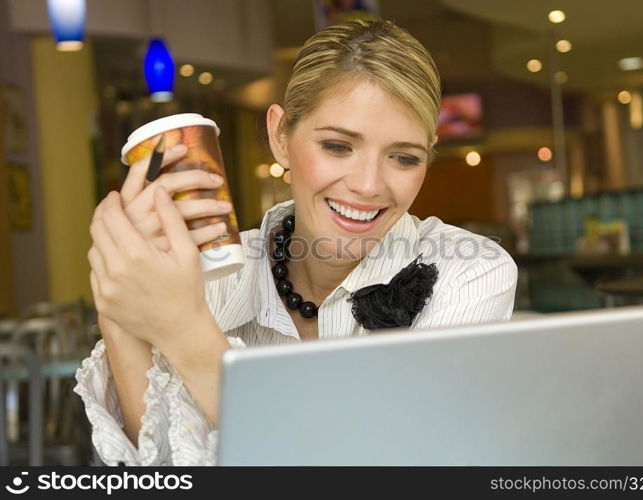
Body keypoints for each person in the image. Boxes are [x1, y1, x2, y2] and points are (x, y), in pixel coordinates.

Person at [75, 19, 518, 466]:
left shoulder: (472, 273)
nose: (367, 185)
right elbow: (158, 469)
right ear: (280, 137)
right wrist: (119, 304)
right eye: (337, 147)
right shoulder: (206, 276)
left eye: (403, 157)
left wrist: (186, 330)